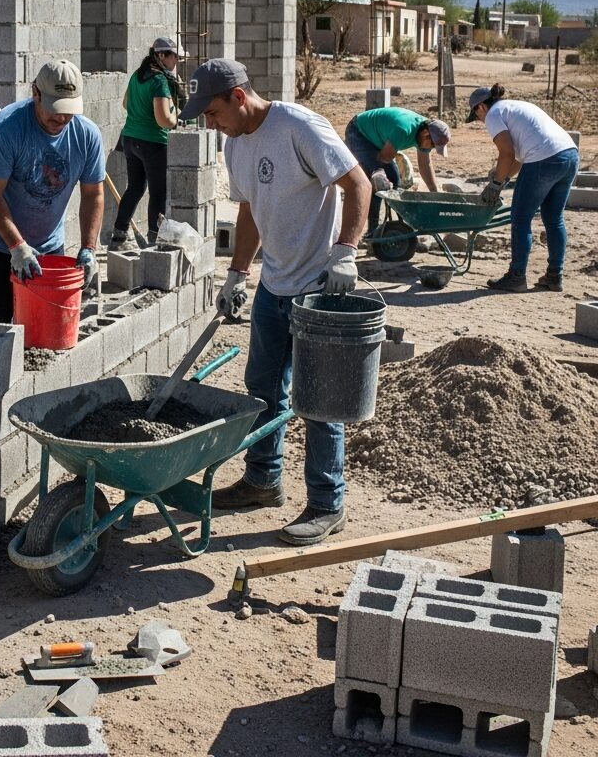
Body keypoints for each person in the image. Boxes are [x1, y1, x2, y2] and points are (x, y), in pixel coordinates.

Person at [180, 59, 371, 546]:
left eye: (214, 111)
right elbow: (248, 211)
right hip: (273, 286)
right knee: (262, 389)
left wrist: (345, 253)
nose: (209, 122)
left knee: (320, 401)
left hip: (318, 290)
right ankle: (263, 481)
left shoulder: (299, 127)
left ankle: (328, 505)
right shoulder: (235, 143)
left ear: (240, 98)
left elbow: (358, 185)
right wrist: (238, 273)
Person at [0, 60, 105, 333]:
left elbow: (93, 194)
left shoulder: (87, 135)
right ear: (35, 93)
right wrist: (16, 246)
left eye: (68, 112)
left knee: (43, 336)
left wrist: (89, 248)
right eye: (55, 111)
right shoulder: (6, 128)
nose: (61, 119)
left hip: (49, 249)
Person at [467, 83, 579, 293]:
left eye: (476, 116)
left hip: (544, 159)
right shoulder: (517, 107)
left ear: (481, 107)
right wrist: (505, 177)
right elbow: (518, 159)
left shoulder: (493, 114)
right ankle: (554, 276)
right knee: (554, 219)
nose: (480, 121)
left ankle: (516, 276)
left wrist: (495, 184)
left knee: (520, 218)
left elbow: (506, 153)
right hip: (570, 156)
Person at [110, 36, 185, 249]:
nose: (177, 62)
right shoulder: (159, 81)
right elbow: (163, 120)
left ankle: (119, 236)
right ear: (162, 55)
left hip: (131, 140)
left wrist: (141, 113)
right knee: (158, 192)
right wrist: (177, 118)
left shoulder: (138, 75)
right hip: (153, 143)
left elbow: (126, 103)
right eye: (175, 57)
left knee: (134, 188)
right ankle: (155, 240)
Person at [344, 107, 451, 231]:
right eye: (433, 145)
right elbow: (384, 157)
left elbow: (425, 165)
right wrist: (381, 180)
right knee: (378, 182)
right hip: (359, 131)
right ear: (426, 134)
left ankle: (400, 225)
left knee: (395, 181)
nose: (431, 148)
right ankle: (372, 232)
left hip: (378, 137)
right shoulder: (403, 129)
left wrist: (435, 192)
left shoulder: (426, 133)